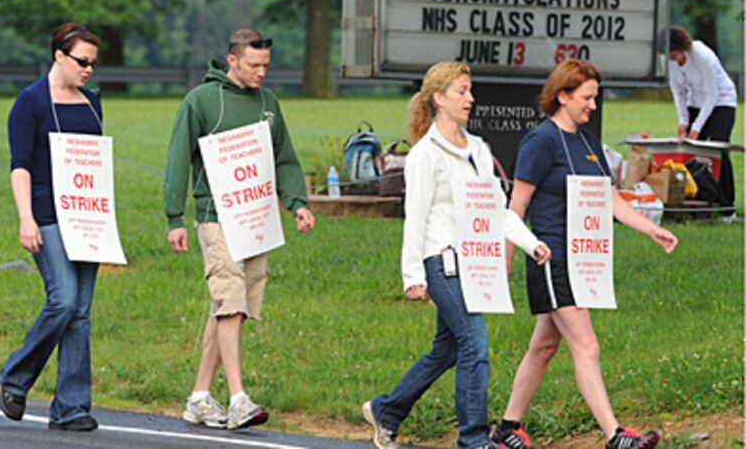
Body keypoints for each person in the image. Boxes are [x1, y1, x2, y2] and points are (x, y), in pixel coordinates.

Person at [361, 62, 551, 449]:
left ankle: (388, 410)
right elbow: (415, 220)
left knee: (446, 350)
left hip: (475, 265)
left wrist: (532, 244)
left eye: (470, 90)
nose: (471, 98)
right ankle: (473, 439)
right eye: (462, 91)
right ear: (438, 98)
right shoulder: (424, 155)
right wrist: (412, 276)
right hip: (441, 263)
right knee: (475, 346)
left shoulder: (479, 149)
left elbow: (497, 210)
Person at [492, 60, 679, 449]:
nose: (592, 105)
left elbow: (608, 199)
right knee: (587, 345)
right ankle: (614, 436)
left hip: (583, 260)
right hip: (550, 257)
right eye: (586, 98)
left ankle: (508, 428)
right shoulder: (539, 142)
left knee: (544, 346)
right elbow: (516, 206)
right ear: (562, 96)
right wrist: (506, 257)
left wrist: (651, 229)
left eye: (595, 97)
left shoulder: (590, 143)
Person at [164, 28, 315, 430]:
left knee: (232, 310)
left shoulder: (268, 102)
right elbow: (178, 158)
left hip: (256, 219)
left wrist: (297, 203)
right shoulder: (201, 100)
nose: (262, 73)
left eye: (266, 65)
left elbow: (283, 157)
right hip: (216, 219)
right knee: (230, 303)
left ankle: (199, 396)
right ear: (232, 60)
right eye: (254, 65)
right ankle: (237, 398)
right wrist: (174, 218)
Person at [0, 23, 102, 431]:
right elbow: (19, 165)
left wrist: (103, 217)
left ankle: (71, 408)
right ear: (59, 55)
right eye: (82, 61)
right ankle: (15, 378)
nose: (88, 70)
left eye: (93, 63)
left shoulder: (92, 102)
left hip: (88, 216)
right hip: (47, 214)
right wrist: (26, 218)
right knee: (63, 300)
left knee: (80, 312)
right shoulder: (31, 102)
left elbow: (93, 160)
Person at [668, 25, 738, 216]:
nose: (672, 59)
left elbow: (712, 95)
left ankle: (727, 208)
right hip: (696, 102)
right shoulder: (670, 63)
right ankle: (698, 200)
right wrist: (684, 121)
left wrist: (697, 127)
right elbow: (679, 93)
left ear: (682, 48)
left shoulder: (703, 57)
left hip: (722, 100)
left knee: (719, 149)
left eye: (674, 54)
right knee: (688, 149)